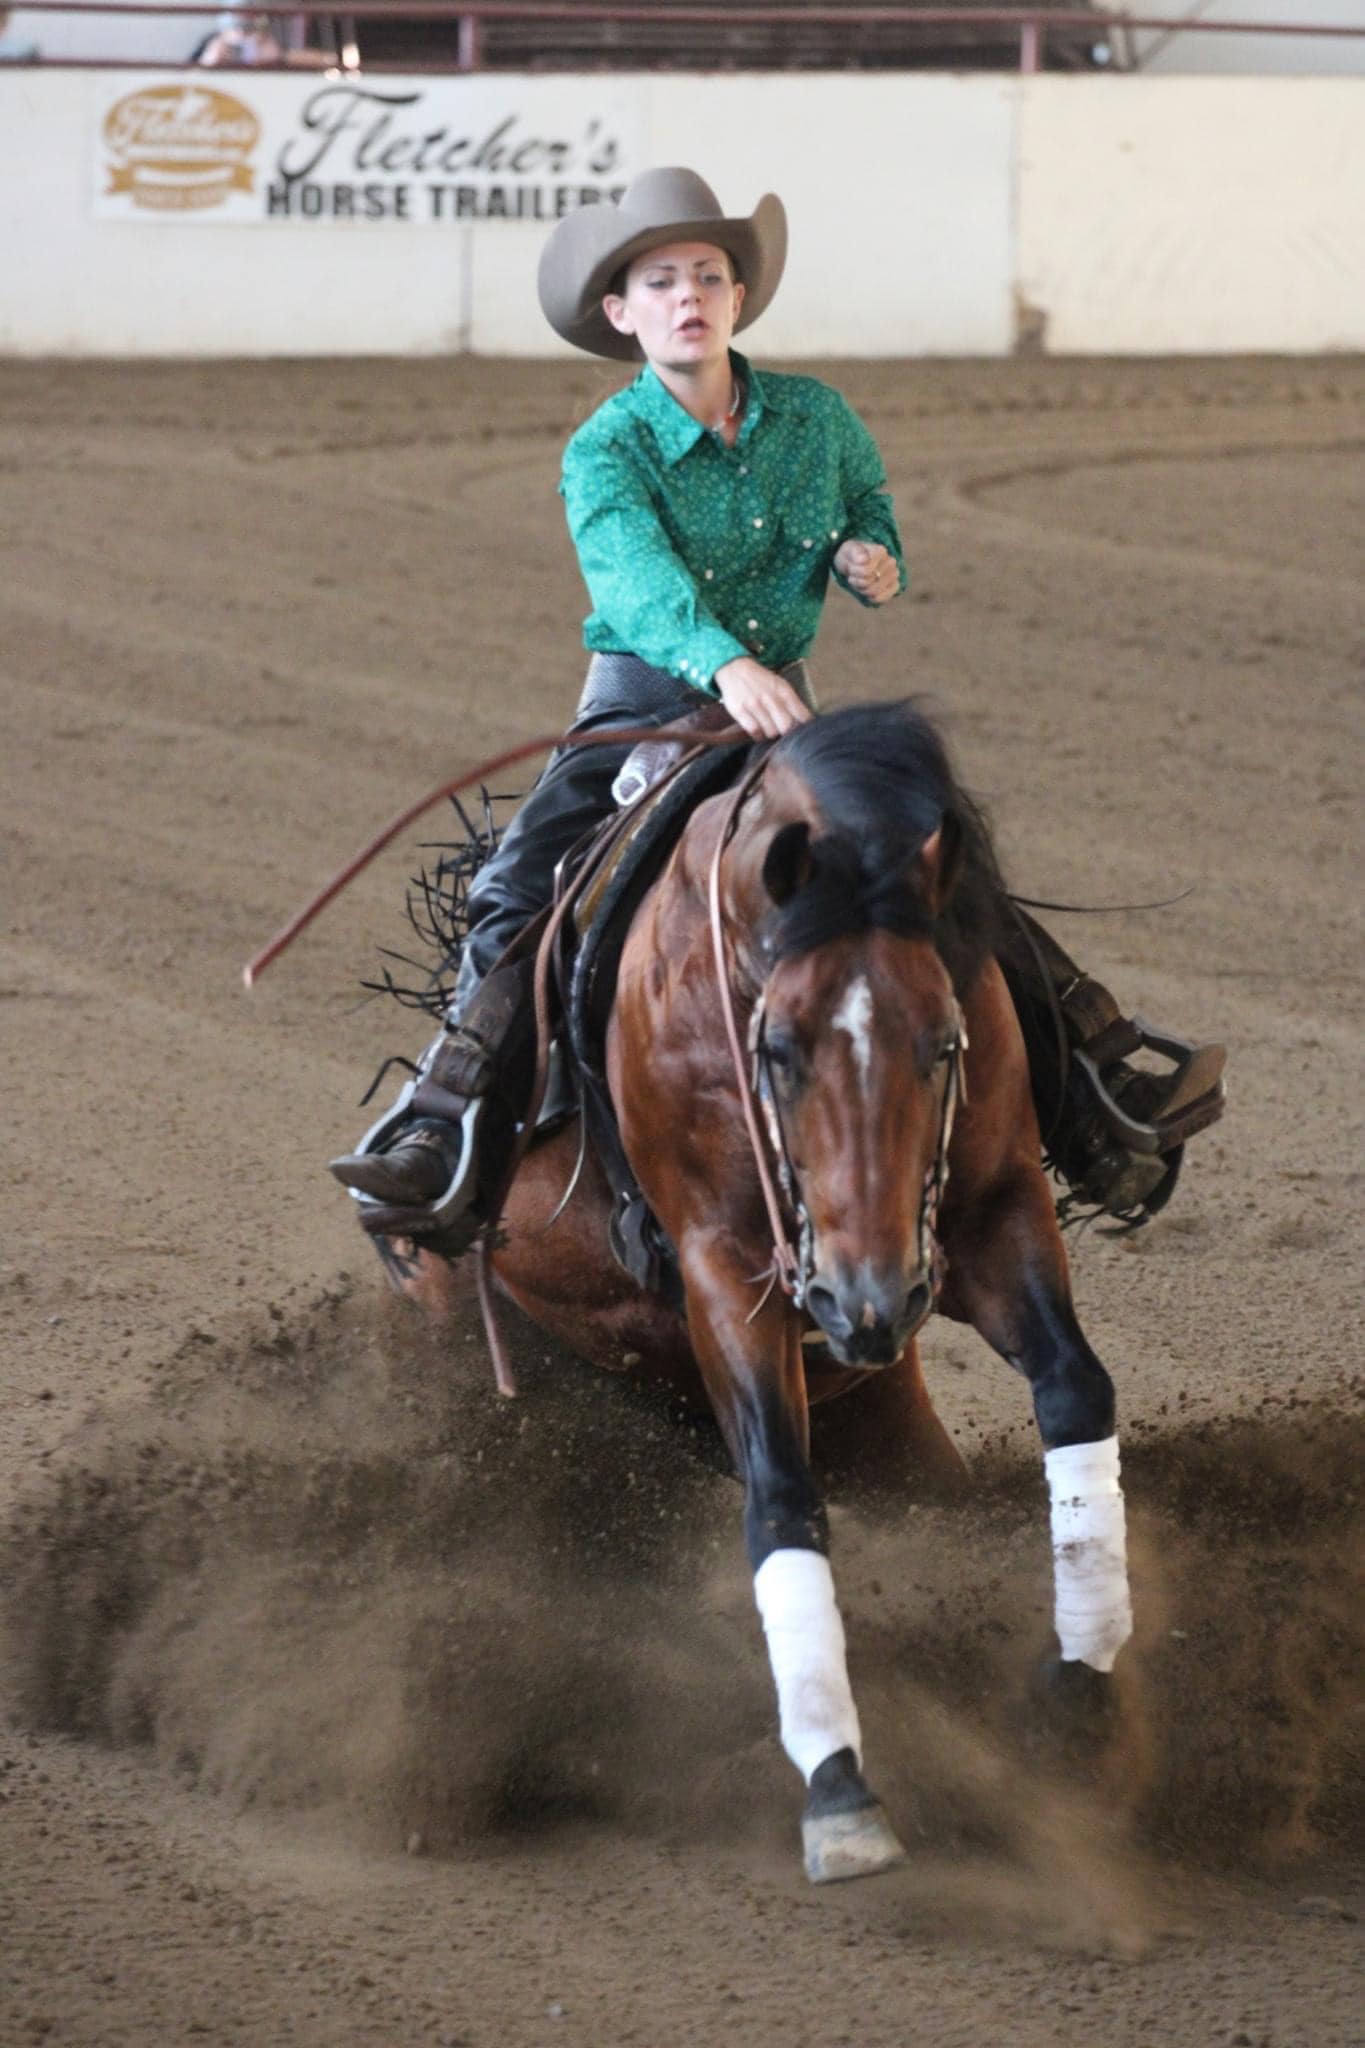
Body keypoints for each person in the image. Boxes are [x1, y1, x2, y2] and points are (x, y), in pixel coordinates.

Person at [330, 167, 1223, 1250]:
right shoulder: (606, 449)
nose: (689, 297)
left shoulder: (816, 418)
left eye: (708, 276)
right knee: (519, 889)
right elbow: (636, 586)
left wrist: (871, 556)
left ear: (739, 297)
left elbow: (870, 508)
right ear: (621, 312)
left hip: (785, 707)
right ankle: (450, 1126)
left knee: (939, 871)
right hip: (645, 705)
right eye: (661, 281)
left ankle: (1093, 1078)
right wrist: (725, 668)